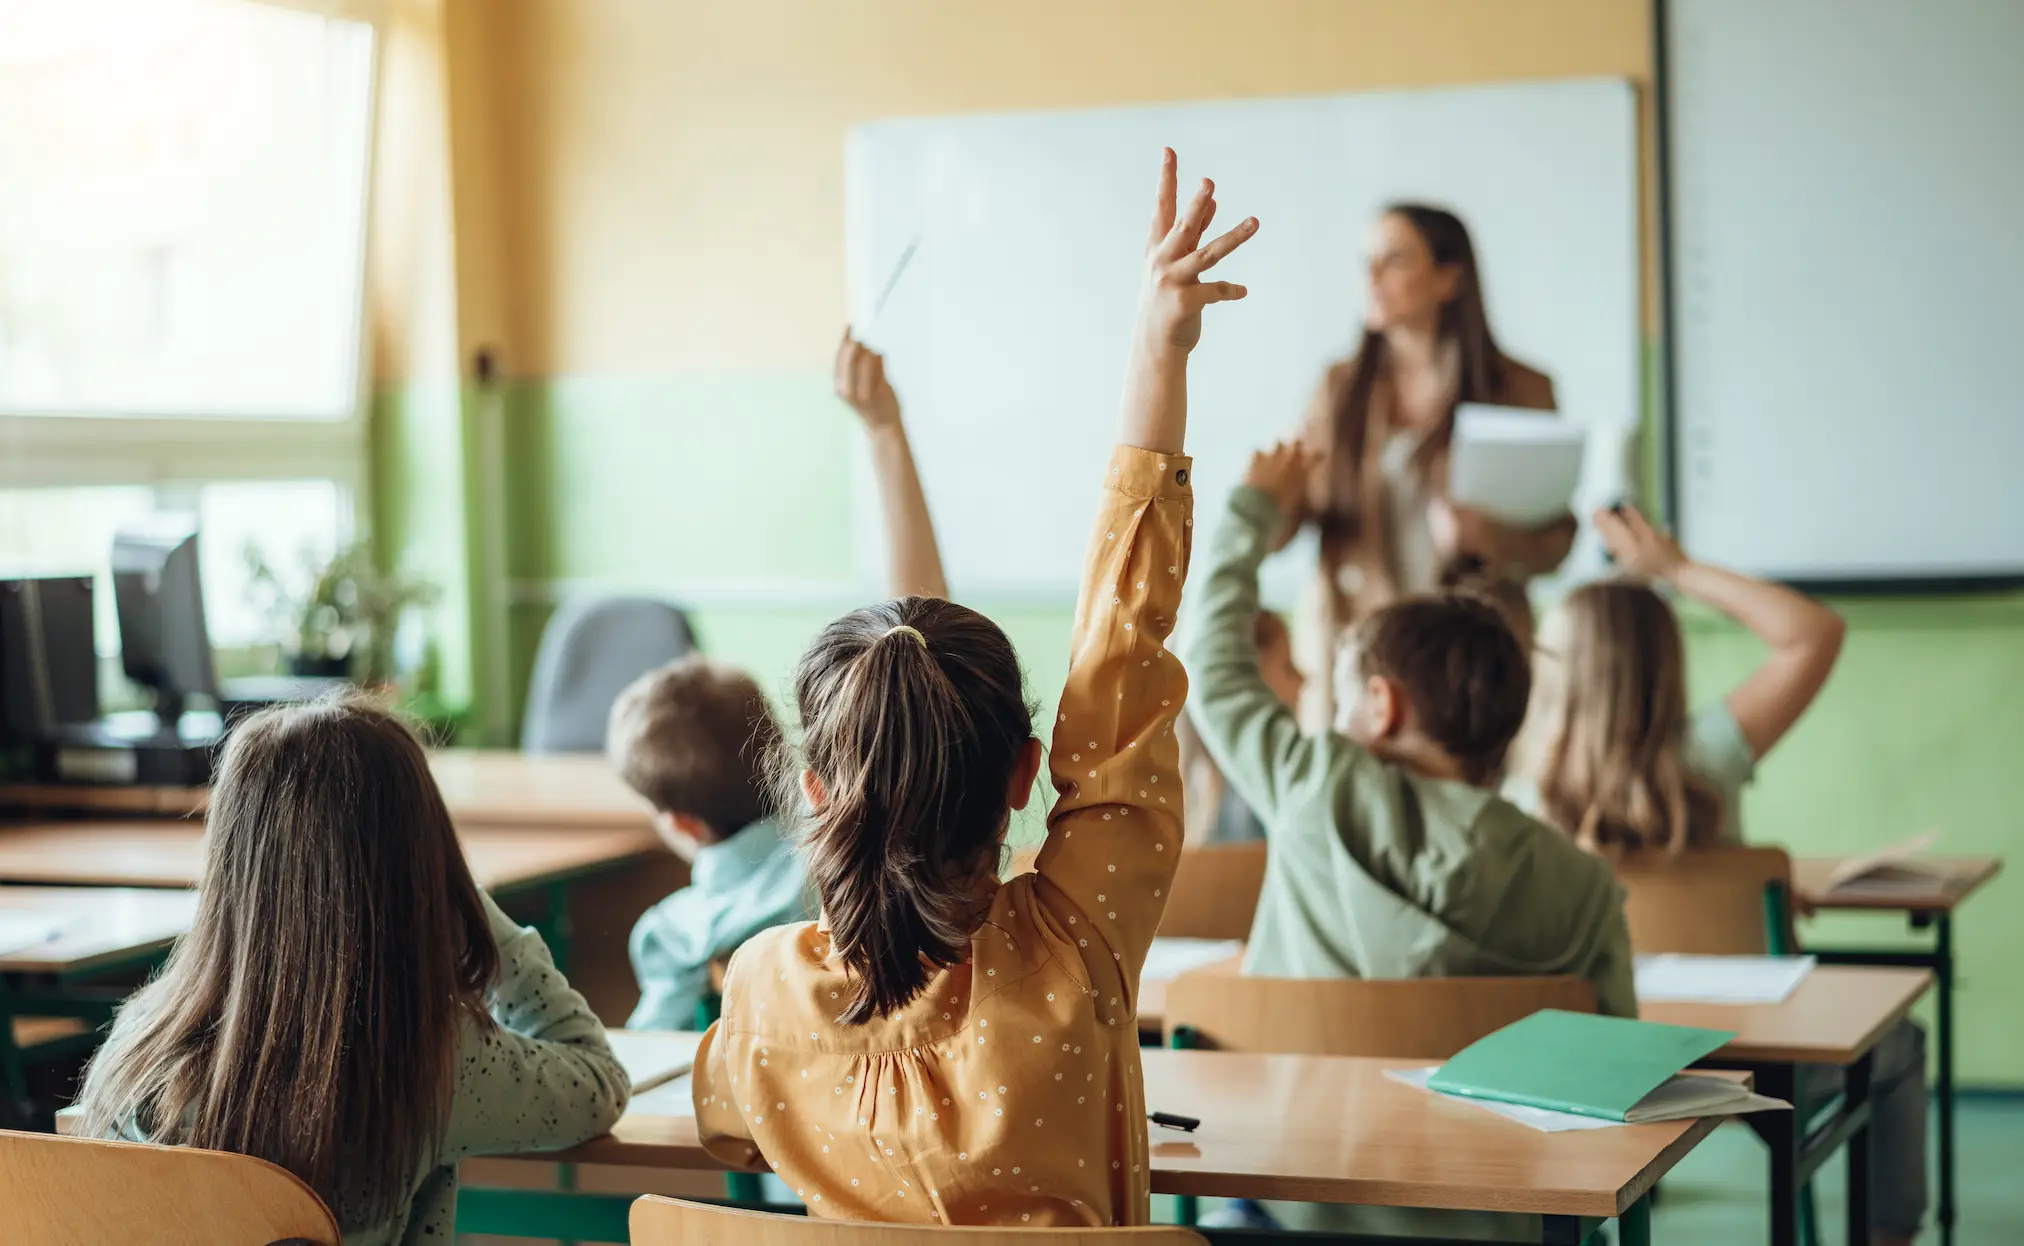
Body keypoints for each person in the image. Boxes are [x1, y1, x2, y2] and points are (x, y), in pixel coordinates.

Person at [689, 149, 1254, 1226]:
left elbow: (722, 1122)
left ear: (815, 789)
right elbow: (1116, 652)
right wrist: (1155, 348)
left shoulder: (763, 988)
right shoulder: (1075, 947)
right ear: (1023, 775)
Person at [1182, 440, 1634, 1240]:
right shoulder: (1584, 886)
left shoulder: (1313, 784)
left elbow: (1215, 668)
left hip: (1299, 1208)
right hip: (1499, 1225)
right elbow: (1619, 1092)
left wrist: (1250, 511)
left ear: (1382, 709)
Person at [78, 696, 628, 1246]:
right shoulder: (432, 1059)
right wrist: (464, 901)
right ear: (421, 868)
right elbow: (598, 1079)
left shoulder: (138, 1046)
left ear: (229, 868)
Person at [1515, 508, 1919, 1246]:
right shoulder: (1708, 755)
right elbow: (1813, 633)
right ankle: (1888, 1236)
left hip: (1590, 1058)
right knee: (1902, 1045)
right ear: (1668, 665)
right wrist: (1673, 567)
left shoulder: (1524, 793)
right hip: (1745, 1055)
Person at [615, 329, 944, 1032]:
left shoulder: (677, 934)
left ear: (679, 822)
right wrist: (885, 430)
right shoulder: (851, 853)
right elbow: (924, 643)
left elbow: (645, 1063)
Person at [1292, 204, 1574, 727]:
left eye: (1394, 259)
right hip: (1360, 651)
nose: (1372, 277)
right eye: (1366, 261)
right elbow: (1297, 511)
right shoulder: (1337, 389)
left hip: (1471, 656)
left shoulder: (1520, 390)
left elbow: (1555, 541)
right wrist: (1268, 499)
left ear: (1449, 279)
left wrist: (1486, 535)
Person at [1176, 610, 1302, 843]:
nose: (1302, 678)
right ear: (1249, 682)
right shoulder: (1253, 792)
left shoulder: (1194, 791)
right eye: (1288, 666)